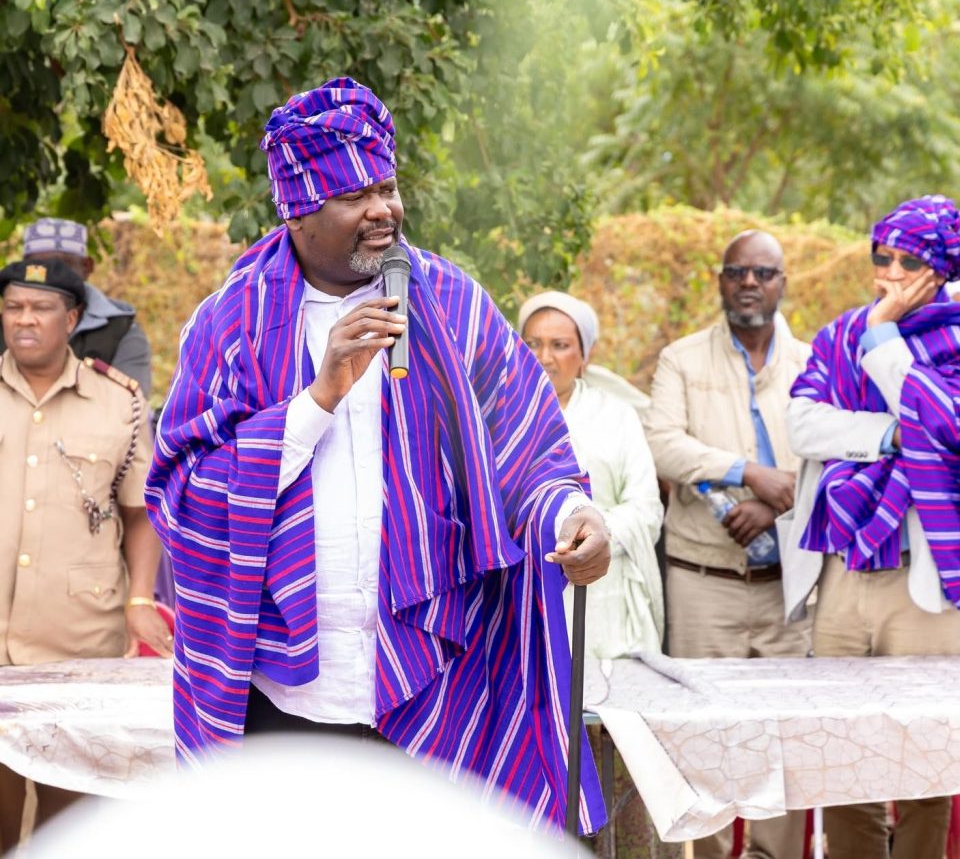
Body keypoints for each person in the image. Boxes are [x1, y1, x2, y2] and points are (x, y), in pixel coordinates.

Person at [144, 77, 610, 833]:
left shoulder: (453, 305)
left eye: (388, 185)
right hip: (283, 692)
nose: (384, 209)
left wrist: (573, 512)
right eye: (355, 194)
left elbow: (529, 451)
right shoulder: (229, 323)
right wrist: (315, 400)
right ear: (298, 211)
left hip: (439, 680)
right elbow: (181, 496)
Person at [781, 195, 960, 859]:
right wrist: (889, 433)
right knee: (840, 749)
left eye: (907, 259)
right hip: (845, 568)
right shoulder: (837, 334)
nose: (888, 270)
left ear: (940, 268)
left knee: (923, 750)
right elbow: (802, 423)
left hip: (925, 578)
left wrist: (885, 339)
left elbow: (948, 423)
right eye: (881, 256)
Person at [642, 230, 811, 859]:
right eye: (737, 271)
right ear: (720, 280)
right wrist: (747, 470)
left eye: (762, 273)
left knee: (786, 745)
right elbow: (660, 441)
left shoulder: (813, 364)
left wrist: (771, 504)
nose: (749, 283)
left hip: (788, 589)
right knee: (703, 741)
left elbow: (830, 464)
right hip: (702, 581)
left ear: (781, 282)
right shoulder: (681, 360)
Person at [0, 258, 170, 852]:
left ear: (71, 318)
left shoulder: (117, 402)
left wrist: (141, 598)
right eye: (14, 307)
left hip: (76, 640)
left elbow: (139, 512)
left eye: (41, 309)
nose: (25, 320)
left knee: (69, 822)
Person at [519, 291, 664, 657]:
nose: (544, 357)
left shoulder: (617, 417)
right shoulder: (498, 419)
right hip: (522, 591)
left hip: (605, 594)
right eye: (532, 343)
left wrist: (595, 537)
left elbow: (646, 506)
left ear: (584, 356)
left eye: (560, 345)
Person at [0, 217, 153, 397]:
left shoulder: (122, 330)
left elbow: (130, 407)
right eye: (41, 267)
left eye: (62, 266)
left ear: (87, 267)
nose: (50, 276)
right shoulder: (9, 323)